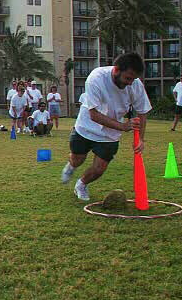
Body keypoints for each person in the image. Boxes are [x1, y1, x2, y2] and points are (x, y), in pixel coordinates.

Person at [61, 52, 151, 202]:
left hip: (110, 134)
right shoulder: (96, 78)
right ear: (116, 70)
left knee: (99, 168)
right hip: (86, 127)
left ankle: (81, 185)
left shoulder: (135, 85)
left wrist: (141, 139)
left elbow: (142, 111)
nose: (130, 83)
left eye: (133, 79)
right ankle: (71, 166)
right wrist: (123, 126)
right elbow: (94, 115)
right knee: (78, 159)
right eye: (128, 78)